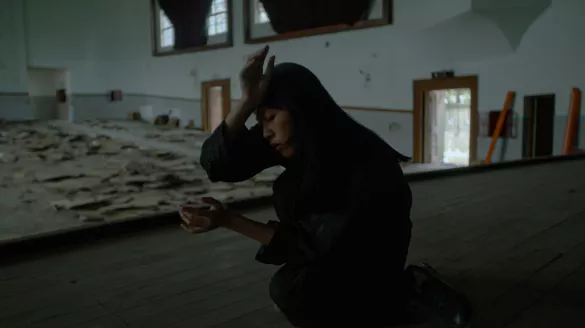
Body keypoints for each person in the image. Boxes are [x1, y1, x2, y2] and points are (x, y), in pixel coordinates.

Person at [179, 46, 472, 327]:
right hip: (326, 248)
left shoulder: (362, 160)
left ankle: (411, 285)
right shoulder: (288, 136)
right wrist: (245, 102)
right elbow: (217, 165)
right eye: (260, 120)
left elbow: (315, 243)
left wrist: (229, 220)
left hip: (371, 255)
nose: (265, 131)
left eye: (270, 117)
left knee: (293, 290)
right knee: (296, 288)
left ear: (299, 108)